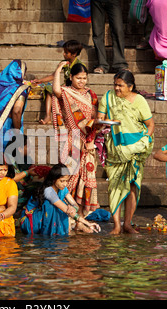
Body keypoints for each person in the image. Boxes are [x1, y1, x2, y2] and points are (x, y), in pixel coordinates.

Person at [97, 70, 155, 234]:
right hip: (116, 148)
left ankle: (128, 223)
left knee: (132, 186)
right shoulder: (108, 97)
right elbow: (99, 120)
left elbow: (150, 125)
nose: (116, 88)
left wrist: (145, 142)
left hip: (136, 148)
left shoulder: (140, 101)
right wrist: (109, 122)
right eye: (115, 84)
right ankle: (116, 225)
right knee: (114, 186)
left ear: (130, 87)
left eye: (120, 85)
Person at [52, 62, 100, 216]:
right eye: (78, 78)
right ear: (71, 77)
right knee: (69, 174)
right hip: (72, 140)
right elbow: (55, 90)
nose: (81, 81)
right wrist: (59, 69)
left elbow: (96, 118)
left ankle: (82, 212)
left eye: (84, 78)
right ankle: (66, 209)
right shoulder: (66, 92)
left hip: (88, 139)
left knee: (86, 176)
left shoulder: (90, 95)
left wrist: (91, 139)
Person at [20, 163, 101, 236]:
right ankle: (51, 235)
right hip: (30, 222)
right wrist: (88, 223)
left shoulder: (62, 188)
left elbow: (74, 204)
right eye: (62, 181)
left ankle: (57, 232)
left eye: (66, 181)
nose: (65, 184)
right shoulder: (48, 191)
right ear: (54, 179)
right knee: (53, 205)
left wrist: (73, 208)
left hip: (41, 220)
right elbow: (65, 209)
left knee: (63, 205)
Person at [31, 40, 85, 124]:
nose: (64, 54)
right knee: (48, 88)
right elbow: (54, 75)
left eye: (66, 53)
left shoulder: (79, 66)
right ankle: (48, 116)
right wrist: (39, 81)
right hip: (65, 88)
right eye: (64, 52)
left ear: (74, 54)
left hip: (74, 90)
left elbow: (81, 82)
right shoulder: (63, 63)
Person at [90, 0, 128, 74]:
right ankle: (102, 64)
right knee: (97, 32)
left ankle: (120, 64)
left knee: (118, 30)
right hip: (96, 2)